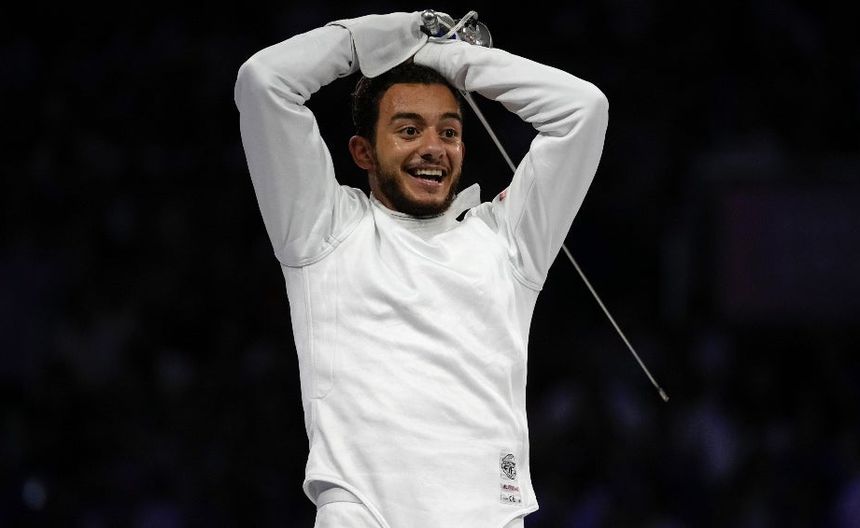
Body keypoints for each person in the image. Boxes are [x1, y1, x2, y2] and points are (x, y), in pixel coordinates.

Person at [234, 10, 608, 528]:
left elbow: (583, 110)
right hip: (364, 512)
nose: (433, 148)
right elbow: (264, 81)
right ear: (363, 152)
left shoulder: (508, 242)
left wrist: (450, 58)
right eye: (409, 130)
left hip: (489, 515)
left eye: (449, 132)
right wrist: (400, 34)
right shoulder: (324, 230)